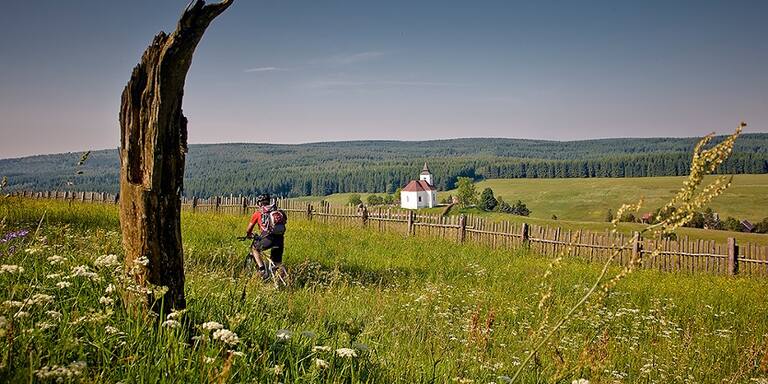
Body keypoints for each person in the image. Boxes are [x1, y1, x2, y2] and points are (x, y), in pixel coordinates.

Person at [245, 193, 288, 280]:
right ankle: (285, 280)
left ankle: (262, 270)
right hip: (280, 239)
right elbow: (284, 221)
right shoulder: (278, 212)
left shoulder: (258, 213)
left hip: (268, 238)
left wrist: (248, 234)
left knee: (254, 248)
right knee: (277, 262)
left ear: (260, 203)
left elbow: (249, 229)